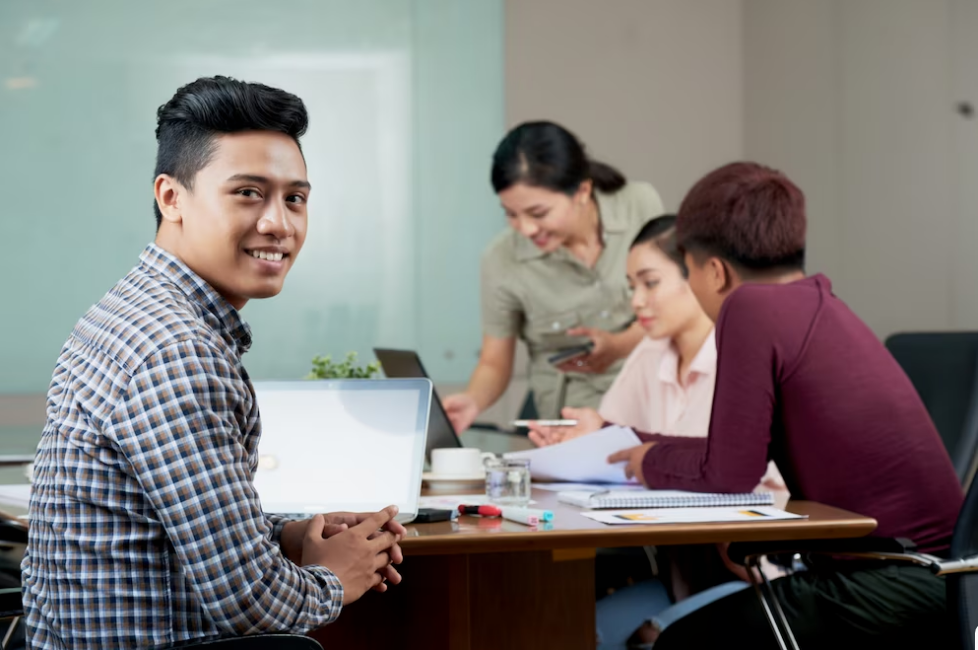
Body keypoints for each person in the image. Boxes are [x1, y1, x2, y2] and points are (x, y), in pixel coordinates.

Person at [21, 76, 405, 650]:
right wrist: (337, 579)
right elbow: (251, 605)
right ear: (170, 197)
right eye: (248, 192)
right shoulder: (176, 351)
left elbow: (165, 533)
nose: (279, 223)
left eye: (295, 197)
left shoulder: (127, 310)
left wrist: (294, 535)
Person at [604, 162, 963, 648]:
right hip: (939, 575)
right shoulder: (815, 302)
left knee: (678, 643)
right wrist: (639, 445)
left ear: (714, 270)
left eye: (687, 272)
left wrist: (650, 461)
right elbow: (734, 451)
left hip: (896, 578)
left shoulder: (749, 308)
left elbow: (728, 473)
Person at [528, 215, 783, 649]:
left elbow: (751, 478)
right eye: (632, 287)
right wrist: (585, 439)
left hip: (752, 567)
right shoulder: (652, 351)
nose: (638, 302)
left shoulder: (741, 355)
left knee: (645, 637)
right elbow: (615, 440)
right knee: (562, 629)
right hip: (681, 570)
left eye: (650, 283)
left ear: (700, 276)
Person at [442, 121, 664, 430]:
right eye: (511, 214)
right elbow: (494, 361)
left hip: (652, 409)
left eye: (538, 213)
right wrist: (473, 400)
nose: (526, 229)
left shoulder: (639, 204)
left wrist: (620, 344)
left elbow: (680, 306)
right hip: (568, 423)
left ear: (582, 192)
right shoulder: (501, 260)